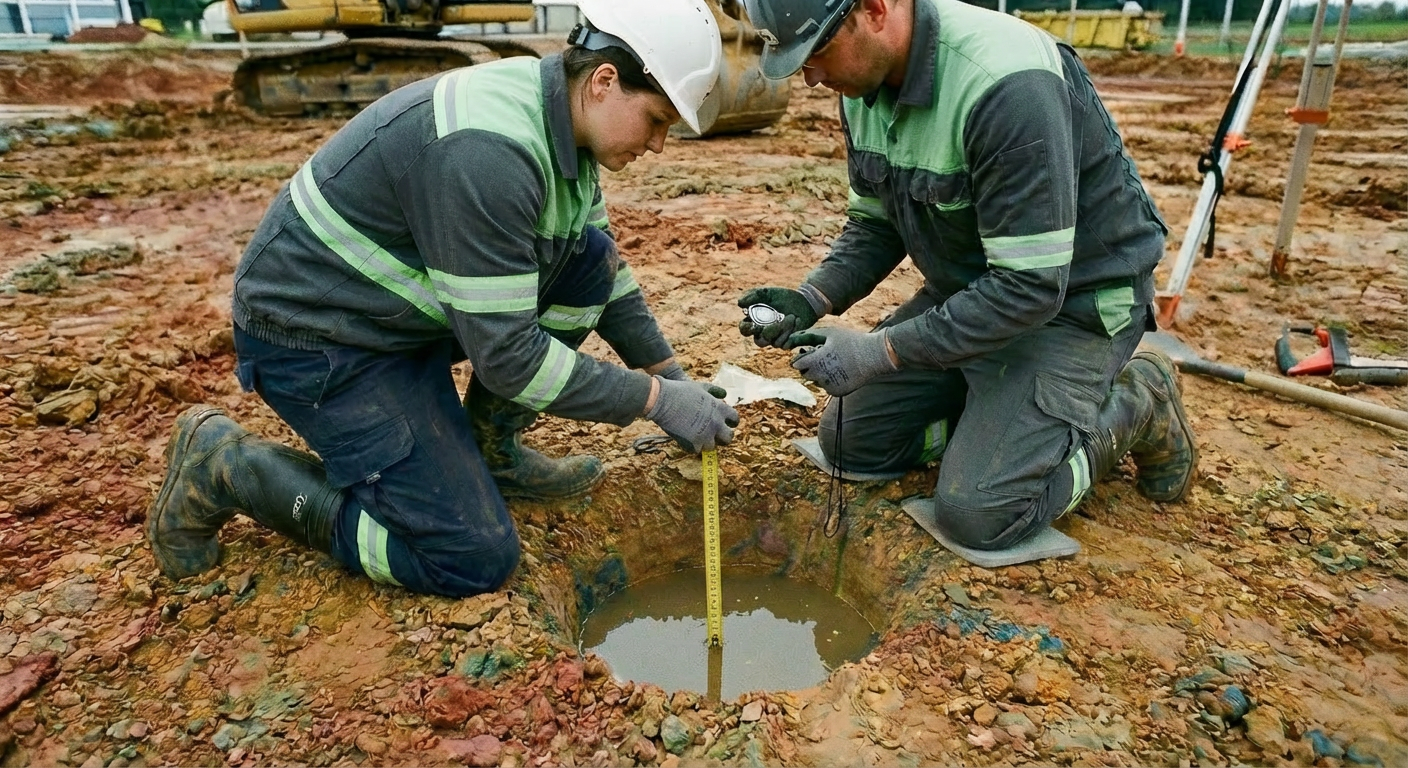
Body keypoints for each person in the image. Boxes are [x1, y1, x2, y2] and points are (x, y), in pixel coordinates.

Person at [147, 0, 740, 597]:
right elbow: (509, 359)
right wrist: (656, 400)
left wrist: (674, 376)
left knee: (586, 261)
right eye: (657, 120)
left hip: (391, 319)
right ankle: (227, 467)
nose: (660, 144)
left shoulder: (565, 132)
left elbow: (605, 276)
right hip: (318, 339)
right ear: (605, 82)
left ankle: (491, 450)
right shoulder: (490, 151)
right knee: (469, 557)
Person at [736, 0, 1196, 552]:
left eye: (816, 53)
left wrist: (880, 352)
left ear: (876, 9)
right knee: (850, 443)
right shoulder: (862, 89)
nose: (810, 77)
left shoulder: (1004, 83)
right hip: (970, 298)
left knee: (982, 514)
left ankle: (1136, 402)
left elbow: (1028, 287)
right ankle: (996, 420)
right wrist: (809, 298)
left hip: (1074, 304)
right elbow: (874, 228)